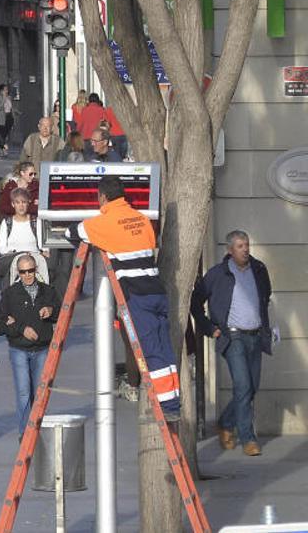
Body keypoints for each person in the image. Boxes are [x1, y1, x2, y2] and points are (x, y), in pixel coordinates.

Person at [66, 176, 181, 421]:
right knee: (165, 349)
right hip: (157, 291)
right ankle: (173, 399)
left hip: (137, 295)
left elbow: (71, 232)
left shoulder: (104, 223)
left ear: (102, 197)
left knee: (151, 351)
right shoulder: (141, 220)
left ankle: (167, 408)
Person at [191, 230, 274, 457]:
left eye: (246, 245)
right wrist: (210, 328)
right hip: (232, 337)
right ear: (230, 250)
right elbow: (195, 302)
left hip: (256, 336)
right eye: (239, 246)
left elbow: (266, 296)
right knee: (243, 386)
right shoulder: (218, 274)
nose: (245, 249)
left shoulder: (259, 269)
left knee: (251, 387)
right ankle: (248, 439)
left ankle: (226, 422)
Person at [0, 253, 59, 438]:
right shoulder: (10, 294)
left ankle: (37, 427)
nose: (28, 275)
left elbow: (62, 313)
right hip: (19, 349)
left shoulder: (48, 291)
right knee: (23, 392)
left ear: (36, 270)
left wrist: (51, 311)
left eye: (31, 270)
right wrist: (20, 329)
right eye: (23, 272)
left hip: (42, 349)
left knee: (40, 392)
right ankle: (26, 432)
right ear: (18, 273)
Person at [0, 187, 50, 294]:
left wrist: (45, 251)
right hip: (14, 260)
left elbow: (43, 242)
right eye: (18, 202)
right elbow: (1, 246)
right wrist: (19, 254)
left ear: (28, 203)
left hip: (34, 259)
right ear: (13, 204)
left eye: (24, 202)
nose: (21, 206)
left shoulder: (35, 221)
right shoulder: (7, 223)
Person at [0, 85, 14, 158]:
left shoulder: (9, 98)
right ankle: (2, 150)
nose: (6, 91)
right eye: (5, 90)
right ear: (1, 91)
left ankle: (3, 149)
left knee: (5, 135)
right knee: (2, 135)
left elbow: (10, 108)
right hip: (1, 119)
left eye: (7, 90)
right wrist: (4, 99)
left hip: (9, 117)